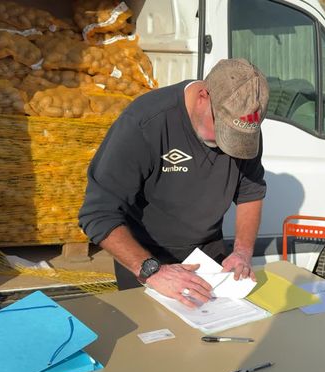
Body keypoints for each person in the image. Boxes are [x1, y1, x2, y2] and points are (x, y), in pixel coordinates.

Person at [79, 58, 269, 308]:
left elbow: (250, 192)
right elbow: (98, 214)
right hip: (145, 256)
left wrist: (242, 251)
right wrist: (151, 270)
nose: (228, 144)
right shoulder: (146, 122)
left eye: (236, 138)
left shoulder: (243, 129)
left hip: (209, 257)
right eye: (223, 132)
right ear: (203, 95)